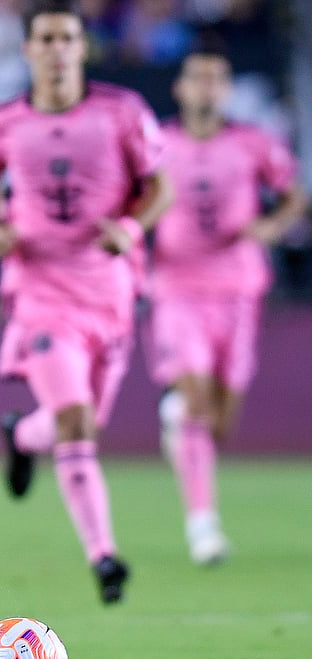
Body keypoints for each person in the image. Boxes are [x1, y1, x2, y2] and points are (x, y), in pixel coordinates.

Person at [0, 0, 173, 605]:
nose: (57, 50)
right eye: (45, 39)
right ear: (28, 49)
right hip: (39, 291)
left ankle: (21, 435)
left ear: (82, 48)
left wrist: (132, 228)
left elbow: (160, 186)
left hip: (107, 290)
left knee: (80, 423)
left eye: (67, 39)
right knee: (78, 421)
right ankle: (104, 557)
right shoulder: (5, 120)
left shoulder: (121, 113)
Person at [149, 42, 306, 565]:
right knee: (194, 393)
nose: (207, 88)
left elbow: (291, 195)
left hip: (239, 287)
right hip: (177, 286)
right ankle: (203, 526)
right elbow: (132, 198)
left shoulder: (254, 143)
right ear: (181, 88)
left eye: (217, 79)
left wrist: (272, 226)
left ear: (228, 89)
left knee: (219, 418)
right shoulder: (157, 144)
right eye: (198, 78)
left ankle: (178, 418)